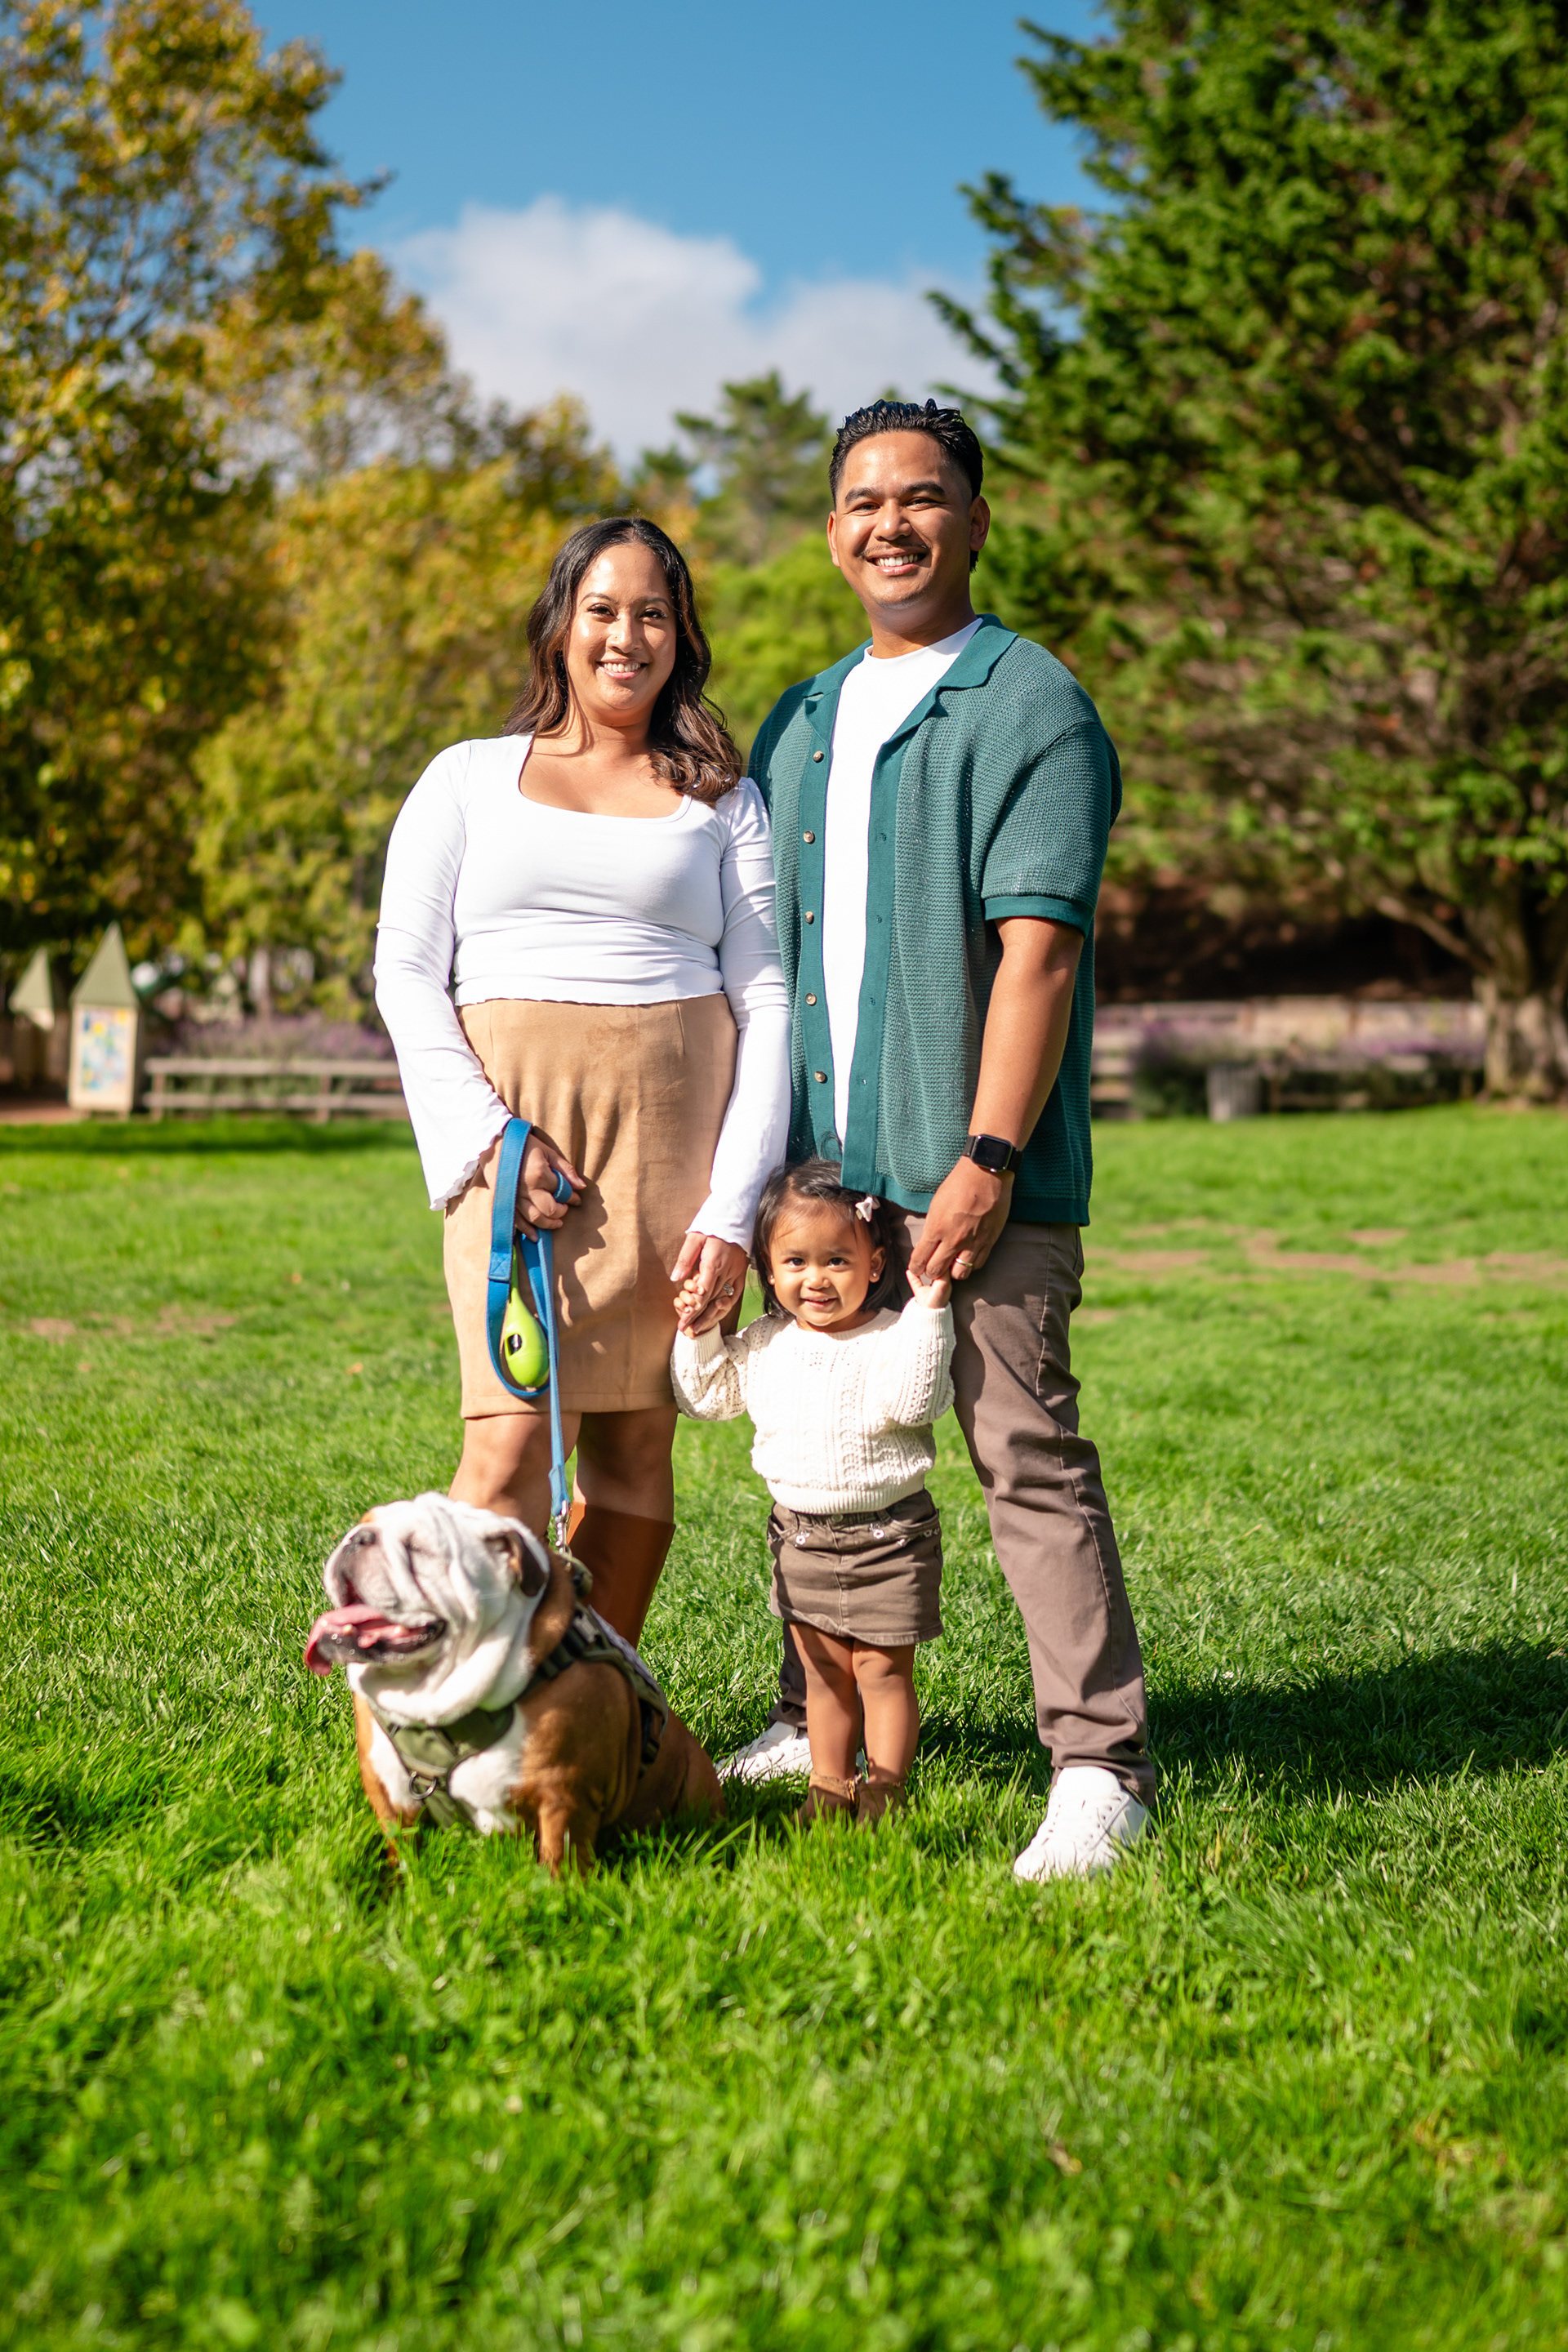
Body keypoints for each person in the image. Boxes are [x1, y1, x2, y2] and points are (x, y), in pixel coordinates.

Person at [730, 398, 1156, 1881]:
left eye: (920, 497)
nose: (890, 524)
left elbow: (1040, 952)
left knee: (1024, 1455)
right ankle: (811, 1714)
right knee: (810, 1457)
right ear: (830, 531)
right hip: (822, 1184)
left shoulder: (1031, 705)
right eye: (863, 502)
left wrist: (988, 1158)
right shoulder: (796, 721)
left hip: (975, 1167)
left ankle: (1099, 1764)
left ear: (975, 522)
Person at [374, 516, 791, 1642]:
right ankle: (445, 1700)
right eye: (603, 609)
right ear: (560, 623)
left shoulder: (725, 798)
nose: (626, 636)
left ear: (682, 636)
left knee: (638, 1440)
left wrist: (733, 1208)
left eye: (654, 613)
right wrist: (486, 1142)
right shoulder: (466, 778)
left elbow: (766, 1000)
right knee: (508, 1439)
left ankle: (591, 1698)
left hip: (674, 1141)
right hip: (513, 1140)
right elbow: (405, 972)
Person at [670, 1160, 953, 1825]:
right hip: (800, 1536)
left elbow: (917, 1402)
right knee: (824, 1673)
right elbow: (705, 1398)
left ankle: (885, 1789)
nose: (816, 1279)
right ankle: (828, 1787)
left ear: (875, 1265)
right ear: (768, 1272)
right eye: (795, 1262)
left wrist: (929, 1311)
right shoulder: (766, 1343)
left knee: (882, 1672)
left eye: (837, 1261)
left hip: (889, 1534)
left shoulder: (894, 1335)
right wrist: (700, 1332)